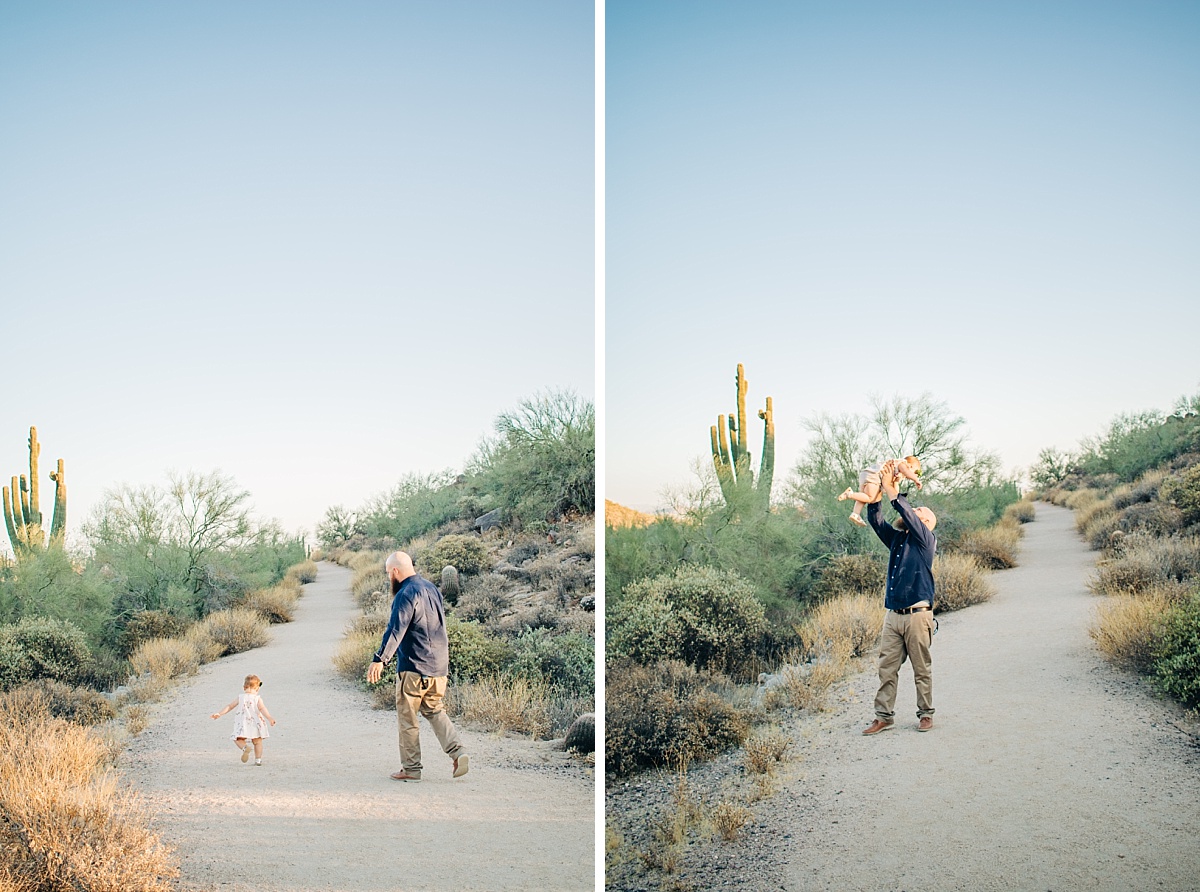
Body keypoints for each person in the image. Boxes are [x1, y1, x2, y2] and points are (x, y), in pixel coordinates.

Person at [366, 550, 469, 782]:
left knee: (408, 717)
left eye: (387, 573)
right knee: (434, 710)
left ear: (395, 571)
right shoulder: (432, 589)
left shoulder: (405, 594)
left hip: (413, 667)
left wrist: (380, 659)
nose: (388, 578)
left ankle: (411, 768)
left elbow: (396, 629)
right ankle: (458, 752)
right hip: (439, 666)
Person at [861, 459, 939, 735]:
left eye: (918, 512)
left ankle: (926, 714)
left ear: (925, 523)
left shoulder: (925, 541)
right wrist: (876, 497)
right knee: (887, 668)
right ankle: (884, 717)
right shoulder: (898, 540)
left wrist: (893, 490)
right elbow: (877, 521)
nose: (912, 512)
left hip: (918, 615)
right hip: (893, 615)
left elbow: (906, 511)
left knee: (921, 668)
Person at [838, 454, 923, 527]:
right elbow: (907, 471)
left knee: (863, 497)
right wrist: (916, 479)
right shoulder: (902, 464)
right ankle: (849, 494)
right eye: (914, 472)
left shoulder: (898, 474)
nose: (909, 476)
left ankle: (856, 513)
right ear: (910, 466)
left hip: (866, 475)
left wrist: (896, 482)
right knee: (871, 498)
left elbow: (895, 493)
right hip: (874, 476)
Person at [210, 674, 276, 765]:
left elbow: (230, 706)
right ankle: (258, 760)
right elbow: (262, 709)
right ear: (257, 689)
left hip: (243, 724)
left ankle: (245, 748)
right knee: (257, 742)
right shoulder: (257, 698)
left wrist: (220, 713)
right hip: (256, 724)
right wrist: (269, 718)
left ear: (244, 687)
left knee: (237, 738)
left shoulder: (241, 697)